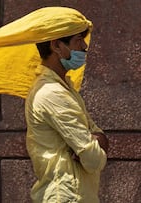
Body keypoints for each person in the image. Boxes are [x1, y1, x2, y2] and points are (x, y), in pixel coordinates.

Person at [25, 27, 109, 202]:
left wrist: (96, 140)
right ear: (56, 46)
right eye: (78, 40)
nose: (85, 46)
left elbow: (99, 137)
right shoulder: (52, 93)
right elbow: (93, 160)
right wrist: (95, 142)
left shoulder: (66, 88)